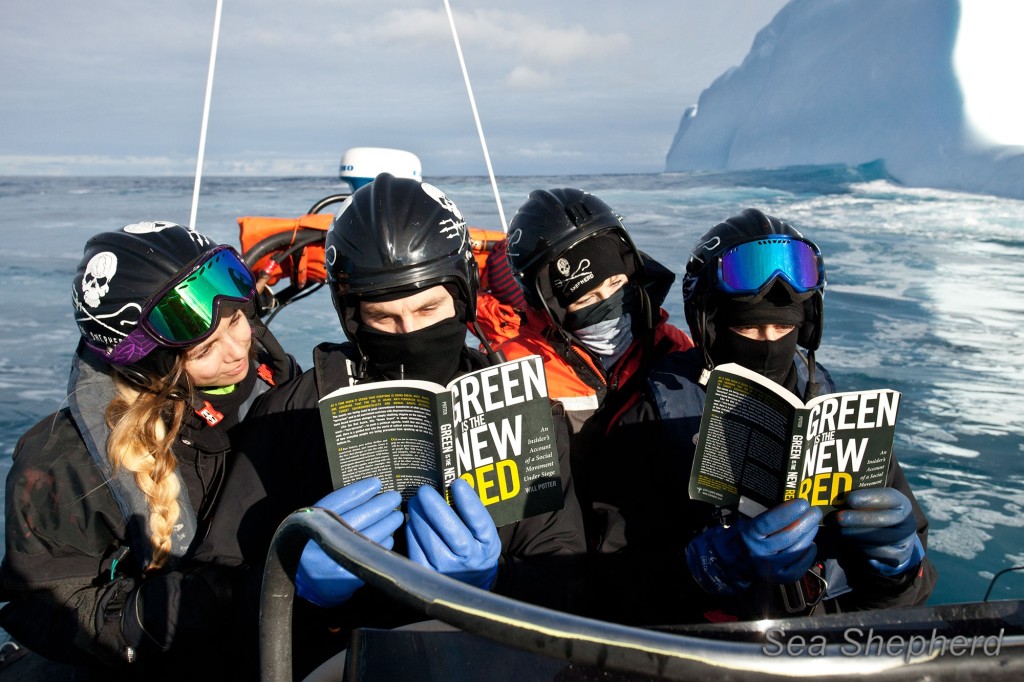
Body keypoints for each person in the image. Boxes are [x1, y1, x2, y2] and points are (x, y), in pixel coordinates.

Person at [207, 173, 585, 678]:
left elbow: (571, 578)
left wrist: (496, 581)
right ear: (352, 317)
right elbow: (214, 589)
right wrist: (293, 581)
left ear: (464, 296)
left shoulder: (524, 407)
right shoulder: (290, 416)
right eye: (384, 318)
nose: (410, 333)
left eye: (429, 308)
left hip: (491, 660)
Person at [0, 222, 300, 679]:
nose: (239, 349)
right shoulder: (64, 462)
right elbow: (41, 604)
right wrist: (160, 612)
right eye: (204, 349)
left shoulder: (273, 381)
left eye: (237, 319)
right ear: (150, 363)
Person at [644, 208, 936, 622]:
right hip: (716, 649)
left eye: (784, 331)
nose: (769, 344)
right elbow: (612, 587)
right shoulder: (652, 413)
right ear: (711, 327)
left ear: (807, 326)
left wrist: (897, 568)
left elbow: (908, 597)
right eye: (748, 330)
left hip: (831, 642)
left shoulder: (835, 411)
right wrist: (706, 570)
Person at [496, 188, 693, 555]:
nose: (609, 306)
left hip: (657, 550)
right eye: (585, 299)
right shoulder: (514, 370)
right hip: (560, 555)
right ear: (551, 307)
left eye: (616, 285)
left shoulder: (674, 349)